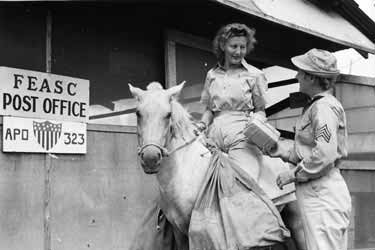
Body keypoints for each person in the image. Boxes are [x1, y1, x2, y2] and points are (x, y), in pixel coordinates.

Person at [196, 23, 304, 249]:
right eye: (234, 46)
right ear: (223, 45)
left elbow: (261, 109)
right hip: (214, 136)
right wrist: (201, 124)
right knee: (203, 189)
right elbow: (208, 109)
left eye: (243, 47)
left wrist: (258, 123)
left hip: (242, 135)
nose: (238, 52)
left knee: (240, 188)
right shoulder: (211, 75)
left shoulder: (255, 74)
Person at [266, 48, 352, 250]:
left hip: (321, 191)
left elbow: (324, 153)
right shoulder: (317, 106)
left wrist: (293, 174)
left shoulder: (323, 108)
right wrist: (283, 151)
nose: (297, 76)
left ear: (312, 78)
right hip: (319, 189)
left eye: (301, 72)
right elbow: (313, 149)